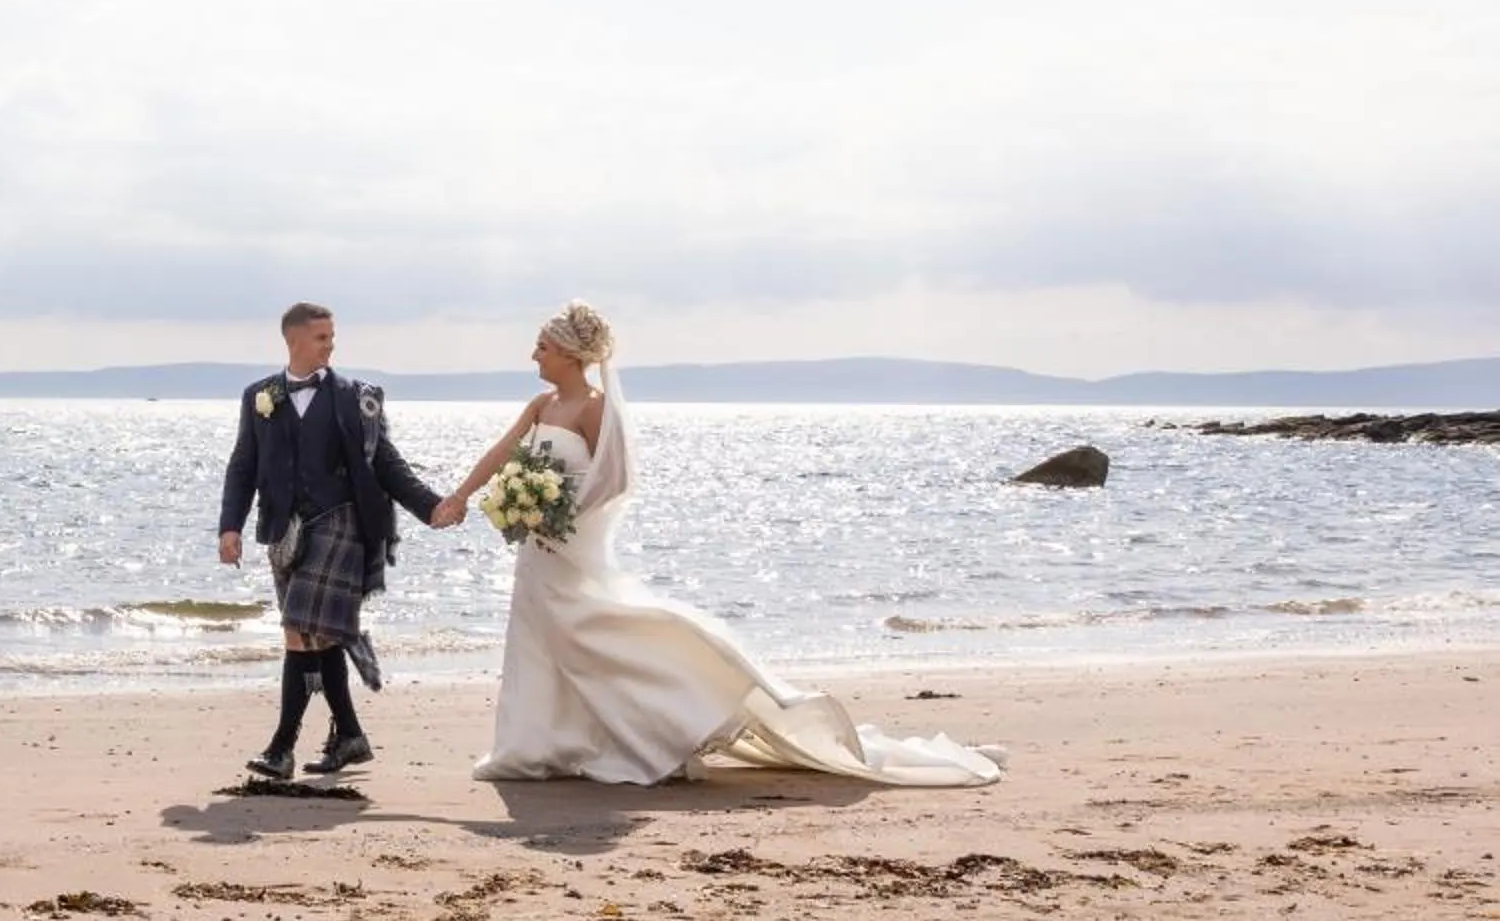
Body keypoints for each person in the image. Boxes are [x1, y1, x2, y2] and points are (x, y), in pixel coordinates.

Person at [432, 300, 1003, 788]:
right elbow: (502, 454)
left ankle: (665, 727)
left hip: (569, 543)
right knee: (539, 639)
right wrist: (461, 498)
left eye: (542, 348)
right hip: (538, 546)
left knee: (591, 633)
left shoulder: (595, 408)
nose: (535, 357)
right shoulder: (541, 407)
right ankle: (535, 743)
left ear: (570, 354)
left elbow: (617, 480)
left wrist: (562, 513)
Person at [217, 301, 449, 780]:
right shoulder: (258, 397)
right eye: (322, 337)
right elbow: (243, 465)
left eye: (332, 336)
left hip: (342, 522)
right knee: (314, 637)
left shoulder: (357, 397)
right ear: (294, 340)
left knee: (298, 630)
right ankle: (349, 735)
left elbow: (386, 463)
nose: (331, 344)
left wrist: (431, 507)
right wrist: (230, 526)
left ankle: (281, 749)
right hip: (284, 529)